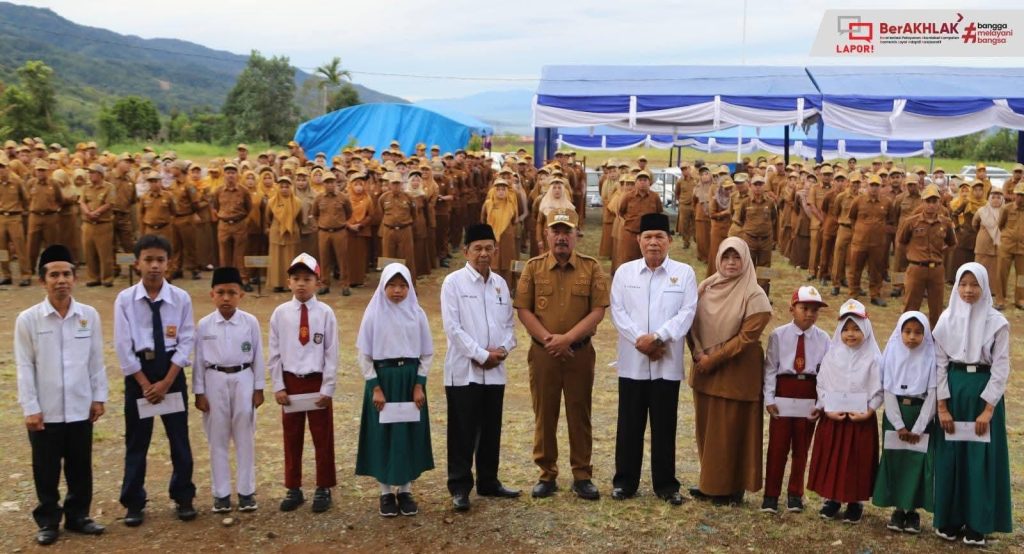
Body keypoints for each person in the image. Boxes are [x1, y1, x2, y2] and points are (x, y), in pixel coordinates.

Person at [15, 244, 108, 545]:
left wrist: (98, 397)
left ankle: (79, 516)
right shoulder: (29, 319)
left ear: (75, 278)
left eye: (67, 274)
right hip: (46, 409)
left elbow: (95, 359)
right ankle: (48, 521)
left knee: (80, 466)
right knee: (46, 468)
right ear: (42, 281)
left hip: (80, 406)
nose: (61, 281)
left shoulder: (88, 316)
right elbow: (24, 366)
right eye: (54, 275)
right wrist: (30, 407)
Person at [514, 208, 609, 500]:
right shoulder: (533, 268)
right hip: (544, 354)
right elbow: (523, 309)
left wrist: (567, 339)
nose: (561, 237)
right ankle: (546, 473)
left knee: (580, 413)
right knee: (545, 413)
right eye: (556, 231)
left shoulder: (591, 268)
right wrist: (549, 340)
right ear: (546, 234)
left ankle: (582, 474)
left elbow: (598, 310)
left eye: (567, 231)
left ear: (576, 234)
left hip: (579, 353)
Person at [609, 213, 696, 505]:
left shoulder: (684, 273)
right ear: (638, 240)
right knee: (629, 425)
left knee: (664, 426)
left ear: (669, 240)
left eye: (659, 236)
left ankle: (666, 485)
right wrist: (642, 341)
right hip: (632, 363)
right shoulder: (625, 273)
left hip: (665, 363)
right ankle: (625, 482)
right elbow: (618, 312)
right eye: (648, 237)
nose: (653, 242)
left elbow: (687, 312)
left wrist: (658, 337)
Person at [113, 235, 197, 526]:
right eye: (148, 260)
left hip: (171, 372)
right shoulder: (125, 300)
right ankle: (133, 502)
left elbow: (187, 340)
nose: (154, 266)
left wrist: (166, 382)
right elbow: (122, 345)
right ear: (137, 263)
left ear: (168, 263)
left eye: (160, 260)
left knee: (179, 439)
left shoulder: (180, 298)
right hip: (140, 375)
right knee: (137, 442)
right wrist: (145, 384)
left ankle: (183, 496)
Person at [440, 224, 520, 512]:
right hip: (464, 371)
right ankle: (460, 487)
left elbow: (509, 325)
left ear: (495, 250)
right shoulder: (453, 283)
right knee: (462, 430)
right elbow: (453, 328)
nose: (483, 253)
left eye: (488, 248)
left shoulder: (500, 284)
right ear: (466, 251)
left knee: (490, 429)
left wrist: (503, 350)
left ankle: (489, 481)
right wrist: (480, 354)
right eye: (477, 248)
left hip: (494, 369)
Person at [686, 237, 772, 506]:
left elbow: (746, 338)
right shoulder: (706, 287)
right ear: (718, 259)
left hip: (736, 372)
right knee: (707, 429)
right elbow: (689, 323)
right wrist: (698, 353)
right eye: (726, 257)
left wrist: (713, 359)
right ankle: (710, 483)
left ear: (746, 260)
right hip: (705, 368)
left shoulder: (754, 295)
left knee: (731, 431)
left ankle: (731, 487)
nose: (731, 263)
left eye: (737, 257)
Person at [932, 263, 1012, 546]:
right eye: (963, 284)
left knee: (980, 458)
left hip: (981, 393)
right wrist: (942, 406)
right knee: (952, 455)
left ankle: (978, 524)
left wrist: (988, 409)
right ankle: (950, 519)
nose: (968, 290)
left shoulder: (997, 323)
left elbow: (1001, 367)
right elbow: (939, 364)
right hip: (954, 392)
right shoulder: (946, 319)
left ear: (984, 286)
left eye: (974, 284)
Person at [355, 263, 435, 517]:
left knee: (408, 433)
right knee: (384, 434)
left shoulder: (417, 314)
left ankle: (406, 490)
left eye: (402, 285)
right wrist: (375, 387)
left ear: (409, 287)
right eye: (392, 285)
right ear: (383, 286)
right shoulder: (374, 314)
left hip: (410, 382)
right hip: (384, 381)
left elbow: (427, 352)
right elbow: (364, 355)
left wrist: (419, 385)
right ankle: (386, 492)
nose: (397, 291)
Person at [269, 253, 338, 513]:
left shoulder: (325, 313)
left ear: (317, 283)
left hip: (316, 381)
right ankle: (293, 487)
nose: (301, 284)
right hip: (291, 382)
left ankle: (323, 486)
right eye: (296, 278)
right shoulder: (280, 314)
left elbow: (331, 352)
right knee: (292, 437)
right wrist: (278, 385)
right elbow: (274, 352)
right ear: (288, 282)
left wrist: (328, 387)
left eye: (307, 279)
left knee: (322, 437)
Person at [193, 267, 265, 513]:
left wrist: (258, 388)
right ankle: (221, 494)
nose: (226, 298)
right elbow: (198, 360)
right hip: (214, 378)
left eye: (232, 293)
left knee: (245, 436)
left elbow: (258, 356)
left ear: (241, 295)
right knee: (218, 437)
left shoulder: (250, 322)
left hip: (243, 377)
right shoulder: (204, 325)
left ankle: (246, 492)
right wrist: (199, 392)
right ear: (212, 295)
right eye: (221, 292)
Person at [807, 299, 882, 524]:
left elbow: (879, 389)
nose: (851, 334)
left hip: (861, 419)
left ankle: (855, 501)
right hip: (835, 418)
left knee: (857, 460)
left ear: (866, 329)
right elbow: (822, 385)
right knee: (833, 457)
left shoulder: (873, 358)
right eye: (846, 329)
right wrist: (827, 408)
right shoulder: (832, 356)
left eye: (856, 329)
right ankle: (831, 499)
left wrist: (870, 410)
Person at [760, 286, 830, 515]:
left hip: (808, 391)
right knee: (777, 448)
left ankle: (795, 494)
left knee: (802, 448)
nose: (809, 314)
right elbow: (771, 368)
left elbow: (826, 374)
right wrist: (769, 397)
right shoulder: (778, 335)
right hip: (784, 389)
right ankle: (771, 495)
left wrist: (820, 403)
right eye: (804, 308)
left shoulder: (823, 338)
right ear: (792, 309)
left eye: (814, 310)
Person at [872, 312, 936, 535]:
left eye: (918, 332)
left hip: (920, 416)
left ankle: (913, 511)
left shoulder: (931, 356)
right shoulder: (892, 354)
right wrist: (898, 424)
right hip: (896, 415)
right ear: (899, 332)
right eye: (907, 331)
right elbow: (888, 389)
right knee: (896, 460)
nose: (912, 337)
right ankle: (898, 510)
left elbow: (933, 393)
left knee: (917, 463)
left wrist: (919, 427)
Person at [898, 185, 957, 328]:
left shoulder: (946, 223)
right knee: (911, 306)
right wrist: (912, 255)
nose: (931, 205)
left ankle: (935, 337)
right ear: (922, 202)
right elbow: (901, 243)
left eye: (934, 201)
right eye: (928, 201)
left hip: (936, 270)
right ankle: (907, 333)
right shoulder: (911, 222)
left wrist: (940, 254)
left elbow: (952, 244)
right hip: (916, 269)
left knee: (936, 308)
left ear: (939, 203)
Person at [848, 175, 895, 307]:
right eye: (872, 185)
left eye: (877, 185)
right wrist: (860, 231)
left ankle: (875, 295)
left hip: (878, 243)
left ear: (881, 187)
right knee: (855, 269)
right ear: (867, 186)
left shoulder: (887, 202)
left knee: (876, 270)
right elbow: (852, 218)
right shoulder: (858, 201)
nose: (874, 188)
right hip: (860, 242)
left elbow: (891, 220)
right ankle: (853, 293)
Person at [311, 173, 352, 296]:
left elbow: (349, 213)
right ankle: (325, 284)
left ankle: (345, 285)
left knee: (343, 259)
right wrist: (321, 224)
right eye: (327, 182)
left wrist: (340, 222)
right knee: (324, 259)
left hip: (339, 232)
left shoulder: (343, 197)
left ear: (335, 183)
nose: (330, 185)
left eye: (332, 182)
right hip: (324, 232)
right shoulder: (319, 198)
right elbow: (315, 214)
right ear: (323, 184)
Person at [79, 164, 116, 287]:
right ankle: (93, 277)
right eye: (89, 173)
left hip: (103, 224)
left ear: (100, 174)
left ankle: (107, 278)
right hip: (88, 224)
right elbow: (82, 202)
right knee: (89, 252)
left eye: (92, 172)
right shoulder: (86, 187)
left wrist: (96, 212)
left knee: (105, 253)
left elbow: (109, 203)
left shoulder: (109, 187)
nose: (90, 175)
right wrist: (87, 212)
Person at [266, 176, 303, 293]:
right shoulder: (271, 202)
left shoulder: (297, 202)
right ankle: (277, 284)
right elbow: (268, 218)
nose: (284, 189)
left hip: (292, 234)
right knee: (276, 259)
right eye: (281, 187)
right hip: (276, 233)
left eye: (287, 187)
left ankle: (290, 284)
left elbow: (300, 219)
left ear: (291, 188)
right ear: (278, 188)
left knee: (291, 259)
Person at [972, 186, 1003, 308]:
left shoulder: (1005, 211)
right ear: (989, 198)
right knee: (980, 266)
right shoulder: (981, 211)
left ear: (1002, 199)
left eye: (998, 197)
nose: (995, 200)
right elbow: (974, 224)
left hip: (999, 245)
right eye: (993, 197)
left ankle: (993, 290)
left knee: (996, 269)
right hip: (983, 245)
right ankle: (979, 287)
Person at [996, 183, 1024, 309]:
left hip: (1022, 248)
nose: (1021, 198)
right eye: (1019, 195)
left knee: (1022, 275)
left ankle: (1020, 299)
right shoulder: (1006, 209)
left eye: (1023, 195)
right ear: (1014, 195)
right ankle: (1000, 300)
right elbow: (1000, 225)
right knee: (1002, 273)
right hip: (1006, 246)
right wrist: (1008, 236)